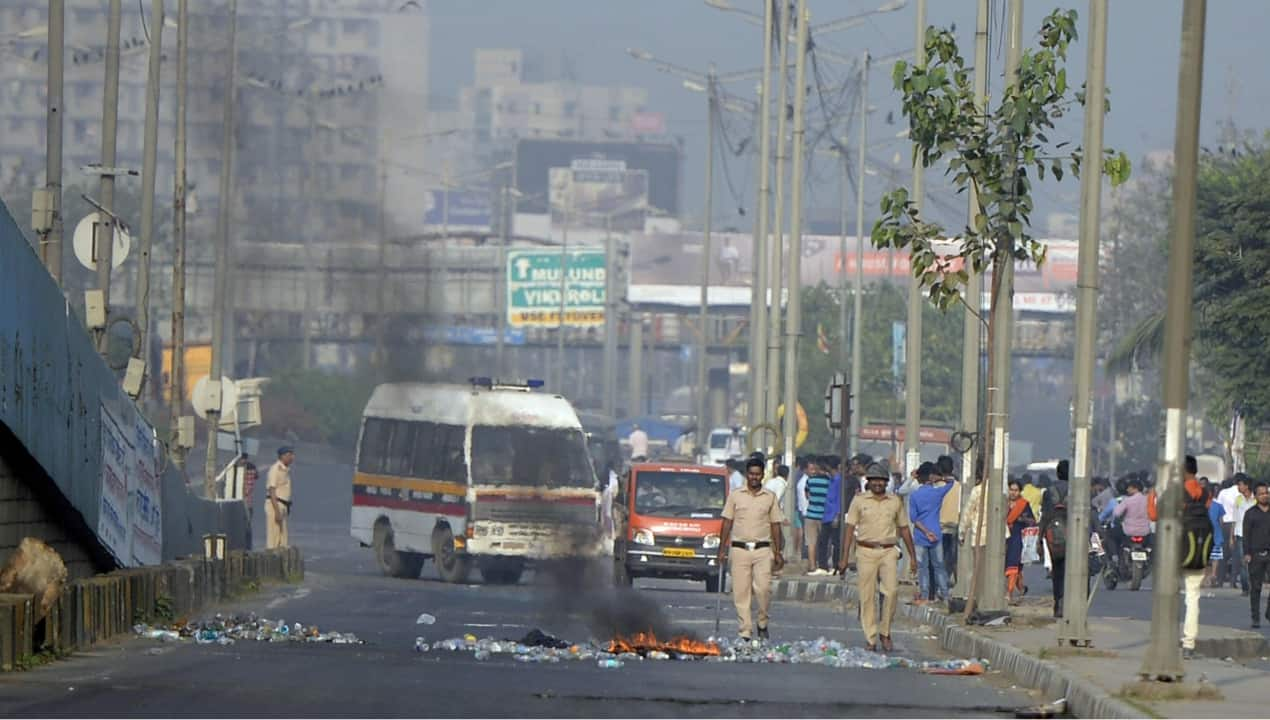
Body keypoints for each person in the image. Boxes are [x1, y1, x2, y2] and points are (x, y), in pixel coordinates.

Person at [838, 462, 917, 652]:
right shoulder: (859, 501)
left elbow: (904, 529)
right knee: (867, 595)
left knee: (891, 591)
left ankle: (885, 631)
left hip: (889, 550)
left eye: (881, 481)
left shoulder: (895, 501)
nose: (878, 484)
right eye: (874, 481)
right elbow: (849, 529)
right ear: (869, 482)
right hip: (865, 551)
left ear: (886, 482)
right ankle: (871, 637)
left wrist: (913, 557)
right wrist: (844, 557)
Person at [716, 456, 784, 642]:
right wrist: (722, 549)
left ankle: (762, 622)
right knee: (741, 591)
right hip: (739, 549)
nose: (754, 477)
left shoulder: (769, 497)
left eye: (758, 474)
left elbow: (776, 525)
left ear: (763, 476)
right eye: (751, 474)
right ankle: (745, 630)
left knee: (763, 589)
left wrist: (778, 552)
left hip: (763, 549)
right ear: (747, 475)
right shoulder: (736, 495)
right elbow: (727, 521)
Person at [1180, 455, 1221, 659]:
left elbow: (1154, 515)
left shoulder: (1176, 491)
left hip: (1176, 548)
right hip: (1197, 550)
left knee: (1165, 596)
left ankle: (1166, 640)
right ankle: (1189, 643)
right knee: (1193, 597)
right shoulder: (1205, 493)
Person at [909, 461, 955, 604]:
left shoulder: (914, 495)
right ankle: (945, 595)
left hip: (920, 535)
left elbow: (914, 519)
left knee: (922, 568)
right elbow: (952, 481)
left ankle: (924, 595)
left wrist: (925, 532)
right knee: (939, 567)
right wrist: (939, 478)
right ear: (931, 477)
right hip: (937, 535)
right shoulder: (938, 492)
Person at [1243, 481, 1270, 629]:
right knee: (1256, 588)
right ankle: (1255, 617)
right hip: (1255, 555)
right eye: (1261, 493)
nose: (1265, 496)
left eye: (1266, 492)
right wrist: (1246, 553)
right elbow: (1246, 535)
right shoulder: (1250, 514)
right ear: (1255, 496)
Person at [1005, 479, 1036, 604]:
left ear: (1020, 491)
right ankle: (1021, 588)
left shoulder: (1023, 504)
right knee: (1008, 565)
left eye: (1016, 490)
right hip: (1003, 536)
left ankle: (1009, 592)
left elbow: (1032, 521)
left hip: (1017, 537)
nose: (1013, 493)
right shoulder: (1003, 503)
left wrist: (1023, 518)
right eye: (1011, 490)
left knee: (1013, 563)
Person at [803, 458, 832, 575]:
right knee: (825, 542)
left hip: (810, 514)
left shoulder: (810, 481)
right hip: (824, 516)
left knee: (811, 542)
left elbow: (807, 496)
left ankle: (812, 565)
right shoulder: (829, 482)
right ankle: (823, 564)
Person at [936, 455, 961, 586]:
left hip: (939, 527)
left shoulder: (936, 486)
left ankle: (941, 585)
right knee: (951, 559)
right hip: (955, 527)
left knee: (938, 559)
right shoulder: (960, 487)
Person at [266, 446, 295, 549]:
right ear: (282, 456)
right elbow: (272, 491)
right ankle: (272, 557)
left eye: (292, 455)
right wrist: (277, 511)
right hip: (275, 505)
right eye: (289, 455)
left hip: (282, 505)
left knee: (283, 538)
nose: (292, 457)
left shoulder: (285, 469)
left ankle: (282, 558)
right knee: (274, 537)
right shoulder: (275, 469)